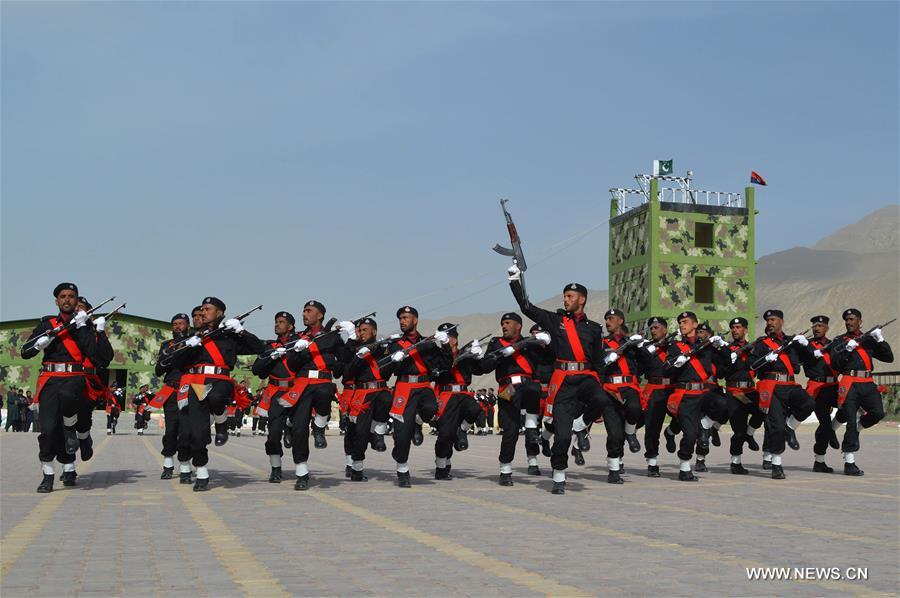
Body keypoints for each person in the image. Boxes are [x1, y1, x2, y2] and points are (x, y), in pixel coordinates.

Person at [507, 265, 611, 495]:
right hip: (563, 380)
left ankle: (581, 424)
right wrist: (514, 279)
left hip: (585, 376)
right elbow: (527, 307)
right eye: (564, 296)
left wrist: (600, 382)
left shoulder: (594, 329)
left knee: (601, 398)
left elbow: (598, 362)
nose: (565, 300)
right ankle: (559, 475)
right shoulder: (555, 321)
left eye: (570, 296)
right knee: (562, 435)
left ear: (582, 299)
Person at [168, 296, 264, 491]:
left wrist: (241, 331)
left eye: (208, 309)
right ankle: (202, 472)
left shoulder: (229, 335)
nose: (203, 312)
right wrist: (188, 345)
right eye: (201, 309)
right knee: (197, 433)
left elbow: (259, 348)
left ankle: (221, 421)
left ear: (219, 313)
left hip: (220, 381)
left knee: (216, 397)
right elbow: (175, 363)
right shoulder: (193, 337)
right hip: (195, 383)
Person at [20, 282, 103, 493]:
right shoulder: (47, 324)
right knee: (48, 430)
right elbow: (25, 351)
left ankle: (70, 429)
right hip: (50, 378)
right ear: (57, 301)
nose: (67, 299)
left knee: (68, 397)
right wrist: (39, 344)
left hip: (74, 377)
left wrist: (85, 327)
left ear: (77, 301)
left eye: (71, 296)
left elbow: (95, 355)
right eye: (63, 296)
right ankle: (48, 473)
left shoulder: (83, 323)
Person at [263, 301, 351, 491]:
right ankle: (302, 472)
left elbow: (344, 361)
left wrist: (350, 338)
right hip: (302, 384)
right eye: (303, 310)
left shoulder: (332, 337)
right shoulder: (298, 337)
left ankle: (319, 426)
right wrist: (297, 350)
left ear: (320, 315)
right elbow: (293, 366)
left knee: (325, 393)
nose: (305, 314)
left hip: (323, 382)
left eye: (309, 311)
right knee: (299, 429)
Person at [478, 312, 551, 484]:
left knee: (533, 388)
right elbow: (484, 366)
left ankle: (532, 431)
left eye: (508, 323)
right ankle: (505, 470)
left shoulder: (529, 343)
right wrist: (499, 354)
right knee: (510, 430)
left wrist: (547, 343)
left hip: (528, 384)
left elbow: (547, 362)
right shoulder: (497, 343)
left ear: (518, 326)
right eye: (503, 323)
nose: (504, 326)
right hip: (508, 388)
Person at [662, 311, 730, 481]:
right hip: (685, 394)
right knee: (690, 434)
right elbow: (665, 369)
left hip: (704, 392)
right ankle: (684, 467)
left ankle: (705, 424)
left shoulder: (706, 346)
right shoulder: (675, 346)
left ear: (695, 324)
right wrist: (676, 364)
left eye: (685, 321)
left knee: (723, 404)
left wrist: (722, 346)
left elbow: (728, 362)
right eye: (680, 322)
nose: (682, 325)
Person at [748, 309, 816, 479]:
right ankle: (776, 463)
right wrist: (765, 359)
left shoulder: (791, 342)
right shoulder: (762, 344)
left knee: (808, 404)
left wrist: (806, 345)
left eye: (773, 319)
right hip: (771, 386)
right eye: (768, 320)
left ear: (781, 322)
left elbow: (813, 358)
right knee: (776, 426)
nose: (770, 323)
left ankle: (790, 427)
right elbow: (751, 365)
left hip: (790, 384)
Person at [825, 308, 893, 476]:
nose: (849, 322)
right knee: (850, 418)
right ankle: (849, 461)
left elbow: (888, 358)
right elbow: (835, 364)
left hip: (867, 383)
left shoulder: (869, 340)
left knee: (878, 412)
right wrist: (847, 351)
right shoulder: (839, 341)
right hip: (849, 382)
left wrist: (881, 340)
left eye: (852, 319)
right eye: (847, 320)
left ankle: (857, 428)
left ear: (860, 321)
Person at [385, 306, 446, 488]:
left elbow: (444, 365)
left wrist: (444, 347)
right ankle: (402, 469)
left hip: (423, 385)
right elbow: (385, 372)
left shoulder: (428, 343)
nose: (402, 321)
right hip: (403, 387)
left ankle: (418, 421)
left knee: (431, 409)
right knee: (402, 436)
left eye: (406, 317)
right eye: (400, 318)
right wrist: (392, 361)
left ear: (415, 320)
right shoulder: (394, 344)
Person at [598, 308, 651, 483]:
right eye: (606, 319)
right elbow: (595, 365)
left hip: (629, 386)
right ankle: (614, 469)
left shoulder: (631, 342)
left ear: (620, 321)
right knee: (614, 433)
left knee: (635, 408)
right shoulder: (602, 343)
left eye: (611, 318)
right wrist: (606, 360)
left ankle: (630, 433)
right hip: (610, 389)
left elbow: (647, 363)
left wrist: (641, 345)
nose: (607, 322)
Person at [341, 317, 394, 481]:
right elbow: (346, 375)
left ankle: (378, 432)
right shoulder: (354, 350)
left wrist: (392, 358)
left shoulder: (382, 348)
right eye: (360, 330)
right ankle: (356, 468)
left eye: (365, 330)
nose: (362, 333)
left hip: (380, 389)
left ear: (374, 331)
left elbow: (386, 374)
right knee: (359, 432)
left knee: (386, 399)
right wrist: (358, 358)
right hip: (362, 393)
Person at [430, 323, 484, 480]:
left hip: (463, 393)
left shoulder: (465, 354)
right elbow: (434, 374)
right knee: (446, 434)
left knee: (475, 409)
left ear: (455, 338)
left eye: (449, 337)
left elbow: (480, 369)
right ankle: (441, 467)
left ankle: (463, 429)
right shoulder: (438, 356)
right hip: (446, 395)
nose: (446, 340)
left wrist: (478, 355)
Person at [252, 311, 300, 484]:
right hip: (276, 392)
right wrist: (270, 357)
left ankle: (290, 427)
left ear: (291, 326)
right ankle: (275, 468)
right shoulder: (270, 346)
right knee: (272, 435)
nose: (277, 324)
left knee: (298, 430)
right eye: (276, 321)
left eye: (281, 322)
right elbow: (257, 370)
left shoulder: (300, 343)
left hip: (296, 392)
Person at [150, 313, 193, 481]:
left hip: (189, 390)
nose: (178, 326)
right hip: (172, 391)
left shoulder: (194, 342)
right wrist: (167, 358)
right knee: (171, 430)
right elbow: (158, 370)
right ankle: (168, 465)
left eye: (181, 323)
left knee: (186, 432)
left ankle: (185, 468)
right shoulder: (166, 345)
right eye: (175, 324)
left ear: (188, 325)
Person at [73, 296, 114, 462]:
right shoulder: (65, 330)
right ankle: (68, 468)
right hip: (66, 379)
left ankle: (84, 439)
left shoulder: (94, 332)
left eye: (81, 307)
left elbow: (105, 358)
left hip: (87, 382)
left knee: (82, 419)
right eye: (75, 307)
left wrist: (101, 332)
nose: (77, 309)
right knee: (64, 426)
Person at [719, 317, 761, 474]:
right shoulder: (727, 350)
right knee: (738, 429)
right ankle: (735, 462)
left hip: (750, 390)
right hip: (734, 392)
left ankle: (750, 434)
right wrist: (730, 360)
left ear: (745, 330)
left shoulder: (754, 349)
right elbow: (720, 374)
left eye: (738, 327)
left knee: (763, 410)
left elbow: (756, 366)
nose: (735, 330)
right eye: (733, 328)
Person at [803, 315, 842, 473]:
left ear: (826, 328)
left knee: (847, 409)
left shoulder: (834, 345)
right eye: (814, 326)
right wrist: (812, 355)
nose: (816, 328)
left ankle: (831, 430)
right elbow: (805, 367)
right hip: (818, 387)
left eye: (820, 326)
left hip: (833, 385)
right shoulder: (808, 346)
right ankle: (819, 461)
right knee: (824, 422)